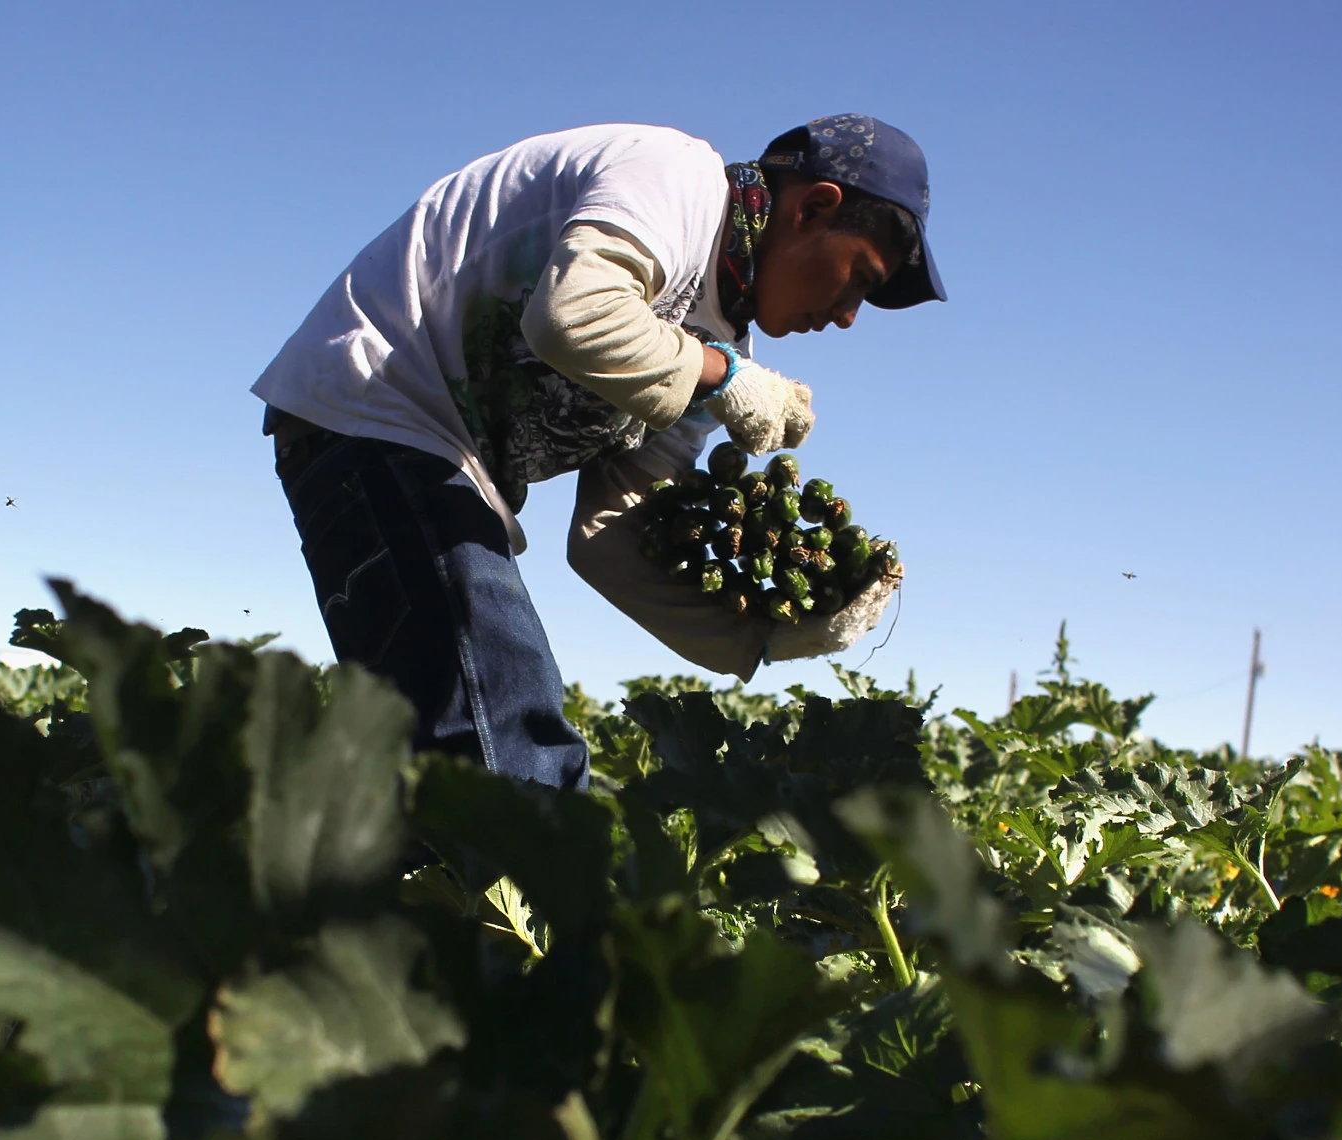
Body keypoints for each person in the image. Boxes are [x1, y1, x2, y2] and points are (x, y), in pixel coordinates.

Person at [254, 114, 945, 789]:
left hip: (429, 458)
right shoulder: (679, 182)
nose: (848, 316)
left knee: (448, 769)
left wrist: (763, 638)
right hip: (376, 401)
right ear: (814, 209)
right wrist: (721, 378)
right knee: (506, 740)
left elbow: (613, 539)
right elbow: (573, 314)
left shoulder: (719, 345)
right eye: (859, 279)